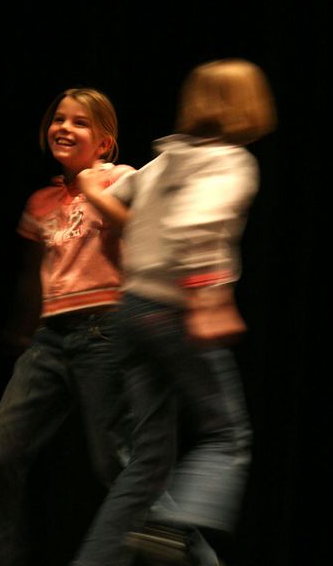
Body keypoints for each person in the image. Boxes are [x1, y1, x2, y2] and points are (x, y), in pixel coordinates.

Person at [76, 58, 277, 566]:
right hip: (173, 312)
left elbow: (110, 194)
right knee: (227, 436)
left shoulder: (169, 157)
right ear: (249, 105)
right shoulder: (230, 162)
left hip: (132, 310)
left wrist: (89, 182)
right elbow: (196, 225)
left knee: (146, 462)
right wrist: (210, 298)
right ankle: (171, 527)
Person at [0, 87, 135, 566]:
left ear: (105, 142)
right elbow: (33, 274)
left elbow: (143, 235)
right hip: (50, 340)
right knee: (0, 454)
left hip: (105, 332)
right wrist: (21, 329)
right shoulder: (42, 200)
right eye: (59, 119)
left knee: (115, 463)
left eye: (79, 122)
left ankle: (184, 551)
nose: (64, 128)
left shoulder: (120, 179)